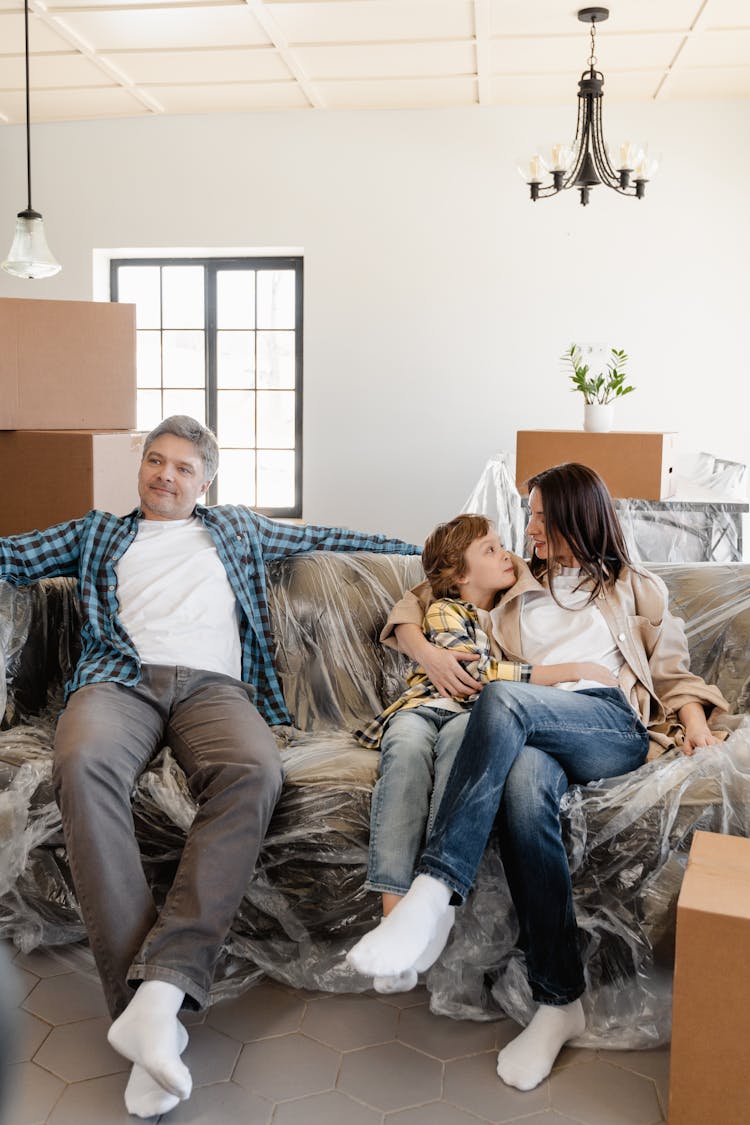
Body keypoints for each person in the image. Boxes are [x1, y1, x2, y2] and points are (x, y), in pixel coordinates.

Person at [0, 415, 419, 1119]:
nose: (166, 475)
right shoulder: (97, 531)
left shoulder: (241, 530)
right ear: (142, 465)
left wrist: (432, 557)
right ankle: (146, 1017)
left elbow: (336, 538)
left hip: (214, 689)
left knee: (255, 772)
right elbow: (10, 554)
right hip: (118, 680)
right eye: (156, 461)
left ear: (207, 480)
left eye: (184, 467)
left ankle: (160, 993)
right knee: (81, 763)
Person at [348, 462, 729, 1092]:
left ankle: (435, 892)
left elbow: (672, 673)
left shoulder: (636, 588)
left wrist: (695, 722)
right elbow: (419, 598)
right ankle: (560, 1003)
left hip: (608, 726)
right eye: (527, 517)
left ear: (577, 517)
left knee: (503, 700)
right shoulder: (517, 584)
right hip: (534, 735)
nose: (528, 529)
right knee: (524, 788)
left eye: (540, 517)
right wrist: (428, 651)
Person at [356, 512, 619, 996]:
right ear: (460, 574)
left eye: (506, 545)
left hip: (472, 719)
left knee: (461, 760)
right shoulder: (443, 608)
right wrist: (563, 671)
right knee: (406, 761)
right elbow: (479, 674)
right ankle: (394, 915)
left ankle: (431, 906)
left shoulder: (516, 597)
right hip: (425, 707)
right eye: (492, 549)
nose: (509, 551)